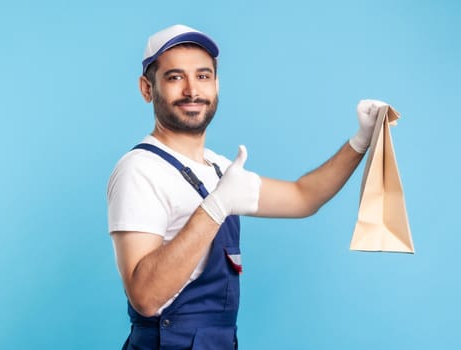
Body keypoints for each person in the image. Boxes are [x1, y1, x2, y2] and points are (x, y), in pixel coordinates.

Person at [107, 23, 385, 350]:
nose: (192, 90)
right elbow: (145, 297)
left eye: (203, 76)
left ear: (216, 84)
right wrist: (215, 207)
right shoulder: (140, 170)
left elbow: (302, 198)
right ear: (146, 88)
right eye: (175, 77)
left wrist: (360, 141)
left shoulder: (219, 168)